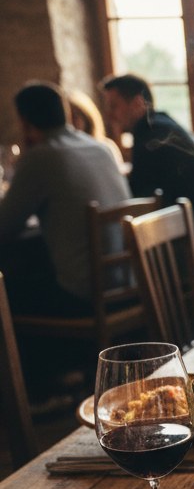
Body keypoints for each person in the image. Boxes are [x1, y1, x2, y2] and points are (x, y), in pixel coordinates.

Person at [0, 81, 130, 318]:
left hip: (84, 295)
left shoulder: (41, 157)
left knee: (6, 292)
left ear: (25, 121)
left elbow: (4, 226)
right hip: (126, 283)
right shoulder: (98, 148)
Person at [100, 73, 194, 281]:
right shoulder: (161, 125)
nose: (109, 114)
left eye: (114, 106)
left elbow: (139, 196)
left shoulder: (149, 135)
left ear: (138, 103)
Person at [67, 88, 123, 167]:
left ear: (87, 118)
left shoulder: (106, 147)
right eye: (66, 118)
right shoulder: (61, 151)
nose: (69, 122)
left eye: (74, 116)